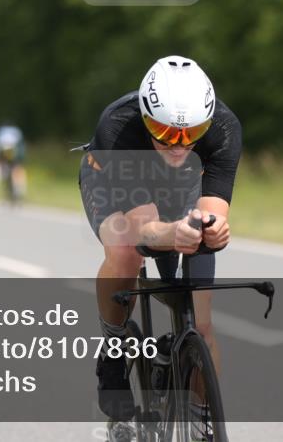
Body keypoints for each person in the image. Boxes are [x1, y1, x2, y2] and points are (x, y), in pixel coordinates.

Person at [79, 56, 240, 442]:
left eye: (191, 133)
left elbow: (213, 210)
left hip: (180, 189)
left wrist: (213, 231)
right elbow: (145, 229)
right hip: (113, 185)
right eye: (165, 132)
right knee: (125, 251)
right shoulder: (119, 126)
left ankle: (202, 422)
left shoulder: (223, 129)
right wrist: (174, 235)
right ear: (147, 118)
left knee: (202, 325)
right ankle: (114, 344)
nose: (179, 145)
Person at [0, 124, 26, 203]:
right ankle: (19, 188)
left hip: (7, 152)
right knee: (17, 168)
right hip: (16, 151)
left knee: (5, 170)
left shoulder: (0, 131)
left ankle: (12, 189)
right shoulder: (16, 131)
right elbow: (21, 146)